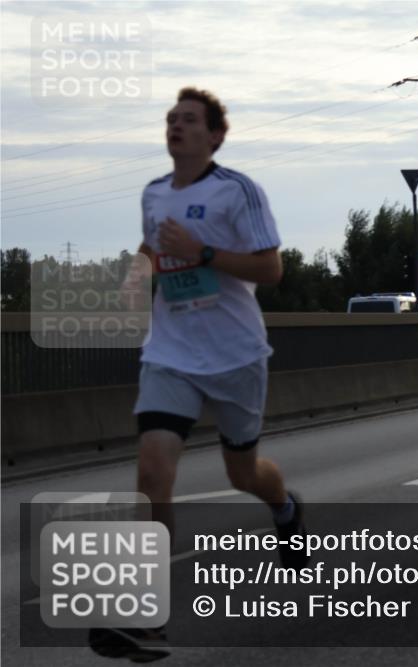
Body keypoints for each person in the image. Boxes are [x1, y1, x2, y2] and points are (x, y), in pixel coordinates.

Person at [90, 88, 306, 663]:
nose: (176, 126)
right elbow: (152, 243)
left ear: (215, 135)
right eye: (170, 119)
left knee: (243, 473)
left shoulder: (237, 189)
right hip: (171, 353)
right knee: (152, 470)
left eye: (189, 120)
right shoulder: (154, 193)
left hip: (235, 355)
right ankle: (147, 617)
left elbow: (271, 268)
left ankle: (284, 508)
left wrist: (203, 252)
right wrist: (136, 274)